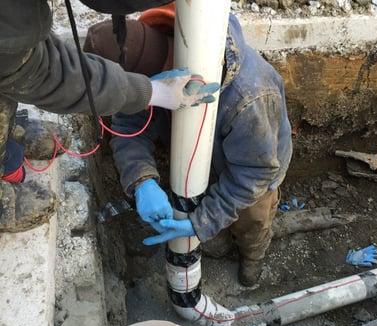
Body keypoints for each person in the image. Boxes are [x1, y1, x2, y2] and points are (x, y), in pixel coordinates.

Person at [85, 4, 293, 287]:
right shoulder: (142, 75)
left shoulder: (250, 97)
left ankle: (252, 261)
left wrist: (201, 223)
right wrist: (141, 180)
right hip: (200, 162)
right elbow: (128, 127)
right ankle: (215, 242)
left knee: (250, 225)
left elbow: (253, 175)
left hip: (255, 175)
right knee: (211, 228)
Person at [0, 0, 218, 233]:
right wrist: (150, 93)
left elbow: (27, 51)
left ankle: (7, 135)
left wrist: (204, 224)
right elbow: (38, 71)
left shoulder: (247, 98)